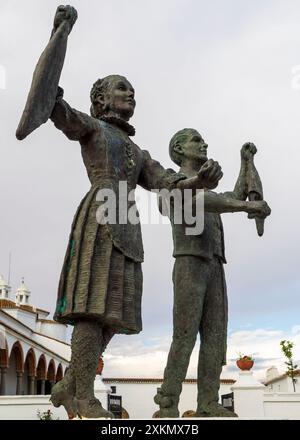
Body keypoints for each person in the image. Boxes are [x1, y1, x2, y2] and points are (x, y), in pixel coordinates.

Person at [46, 7, 223, 419]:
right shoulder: (91, 127)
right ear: (101, 98)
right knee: (92, 307)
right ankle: (83, 394)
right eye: (121, 89)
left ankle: (69, 385)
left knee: (111, 312)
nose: (130, 95)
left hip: (127, 221)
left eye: (131, 91)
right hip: (102, 216)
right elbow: (58, 111)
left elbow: (164, 181)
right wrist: (60, 37)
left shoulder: (138, 153)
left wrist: (198, 182)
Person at [154, 128, 271, 417]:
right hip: (189, 263)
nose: (204, 143)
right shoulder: (173, 182)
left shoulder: (207, 190)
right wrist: (246, 205)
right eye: (196, 140)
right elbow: (206, 201)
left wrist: (246, 164)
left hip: (215, 264)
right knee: (185, 335)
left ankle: (207, 402)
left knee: (215, 337)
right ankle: (168, 402)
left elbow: (229, 195)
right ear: (179, 150)